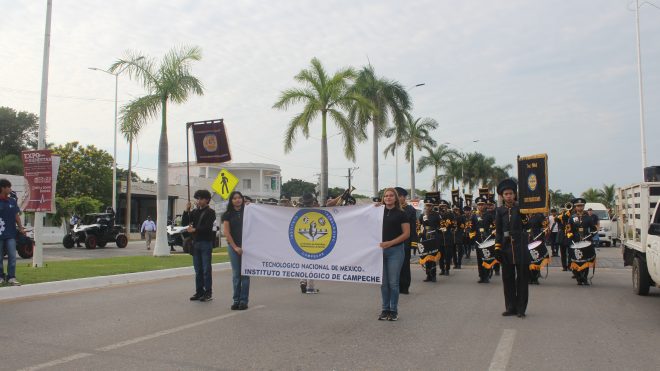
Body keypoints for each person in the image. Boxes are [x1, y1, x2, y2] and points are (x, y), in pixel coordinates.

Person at [494, 178, 530, 318]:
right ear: (502, 196)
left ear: (515, 194)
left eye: (511, 193)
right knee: (507, 279)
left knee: (522, 279)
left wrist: (523, 216)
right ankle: (510, 307)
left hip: (520, 247)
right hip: (506, 248)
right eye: (506, 194)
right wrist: (497, 247)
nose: (508, 196)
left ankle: (521, 309)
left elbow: (527, 225)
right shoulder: (499, 211)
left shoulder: (521, 208)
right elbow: (498, 231)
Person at [378, 188, 410, 321]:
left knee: (393, 283)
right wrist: (373, 207)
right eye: (386, 196)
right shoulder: (378, 212)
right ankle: (385, 309)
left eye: (391, 196)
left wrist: (391, 243)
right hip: (380, 251)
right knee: (383, 283)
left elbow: (406, 234)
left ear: (396, 198)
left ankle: (393, 310)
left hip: (395, 251)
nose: (388, 198)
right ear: (383, 198)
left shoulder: (401, 214)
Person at [186, 189, 217, 302]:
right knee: (198, 270)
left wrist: (195, 229)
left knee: (206, 269)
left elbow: (207, 227)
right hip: (196, 243)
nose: (198, 201)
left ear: (207, 200)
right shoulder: (194, 212)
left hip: (206, 243)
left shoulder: (210, 212)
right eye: (197, 198)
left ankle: (208, 292)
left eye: (201, 198)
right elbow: (187, 221)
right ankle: (199, 292)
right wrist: (187, 210)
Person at [222, 191, 250, 310]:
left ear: (242, 199)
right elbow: (226, 233)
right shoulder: (227, 214)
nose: (237, 200)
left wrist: (251, 206)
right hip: (234, 247)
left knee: (245, 275)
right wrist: (235, 247)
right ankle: (236, 300)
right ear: (231, 201)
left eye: (239, 198)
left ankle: (244, 301)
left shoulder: (248, 212)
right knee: (236, 275)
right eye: (234, 198)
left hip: (247, 248)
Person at [567, 198, 597, 285]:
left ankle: (585, 277)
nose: (580, 207)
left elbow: (594, 229)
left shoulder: (588, 218)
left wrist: (591, 234)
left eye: (581, 206)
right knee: (576, 260)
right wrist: (571, 240)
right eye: (578, 206)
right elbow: (568, 230)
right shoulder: (571, 218)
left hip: (586, 241)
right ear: (575, 207)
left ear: (584, 206)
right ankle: (578, 277)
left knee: (586, 260)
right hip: (575, 241)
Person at [0, 179, 24, 286]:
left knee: (12, 255)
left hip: (11, 234)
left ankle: (11, 277)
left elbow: (16, 216)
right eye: (9, 187)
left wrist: (21, 228)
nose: (10, 189)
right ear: (3, 188)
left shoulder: (12, 201)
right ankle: (0, 277)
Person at [394, 187, 417, 294]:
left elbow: (413, 227)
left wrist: (413, 242)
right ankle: (396, 285)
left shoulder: (410, 210)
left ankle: (405, 286)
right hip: (393, 240)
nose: (397, 198)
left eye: (399, 196)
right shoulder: (392, 208)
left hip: (405, 241)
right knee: (394, 265)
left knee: (404, 265)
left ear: (404, 197)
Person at [298, 192, 319, 294]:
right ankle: (310, 286)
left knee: (303, 263)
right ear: (312, 202)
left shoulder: (298, 211)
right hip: (312, 241)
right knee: (311, 264)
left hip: (301, 240)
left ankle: (302, 281)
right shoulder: (317, 212)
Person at [472, 197, 495, 283]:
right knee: (479, 259)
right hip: (478, 240)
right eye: (479, 205)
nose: (480, 206)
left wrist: (492, 232)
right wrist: (473, 238)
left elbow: (494, 226)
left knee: (487, 257)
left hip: (487, 240)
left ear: (485, 205)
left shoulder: (489, 215)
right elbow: (472, 228)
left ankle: (487, 275)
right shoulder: (474, 216)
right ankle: (481, 276)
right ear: (477, 206)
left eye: (482, 204)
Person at [418, 195, 440, 282]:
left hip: (433, 237)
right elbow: (419, 225)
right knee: (426, 257)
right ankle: (428, 275)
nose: (428, 207)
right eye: (426, 205)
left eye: (429, 205)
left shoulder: (436, 215)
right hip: (425, 237)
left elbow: (440, 225)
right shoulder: (422, 215)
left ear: (432, 206)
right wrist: (419, 233)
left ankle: (433, 275)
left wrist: (436, 231)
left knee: (433, 257)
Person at [526, 212, 548, 285]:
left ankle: (535, 276)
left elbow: (545, 227)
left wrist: (542, 235)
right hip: (525, 239)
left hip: (536, 239)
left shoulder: (539, 216)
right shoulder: (522, 214)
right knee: (527, 259)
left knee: (536, 258)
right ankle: (528, 277)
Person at [437, 199, 455, 276]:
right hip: (440, 237)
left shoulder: (450, 215)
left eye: (444, 206)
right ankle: (442, 269)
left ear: (447, 207)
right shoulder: (437, 215)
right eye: (441, 206)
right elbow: (435, 224)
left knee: (448, 254)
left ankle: (447, 269)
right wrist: (438, 228)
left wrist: (450, 229)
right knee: (440, 255)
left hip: (448, 237)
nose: (442, 207)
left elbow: (454, 225)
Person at [452, 204, 465, 269]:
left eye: (456, 209)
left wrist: (457, 217)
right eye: (454, 209)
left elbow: (462, 226)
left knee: (460, 251)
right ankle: (455, 263)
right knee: (453, 251)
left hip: (459, 234)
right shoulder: (451, 216)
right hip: (452, 235)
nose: (455, 211)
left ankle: (459, 263)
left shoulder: (461, 217)